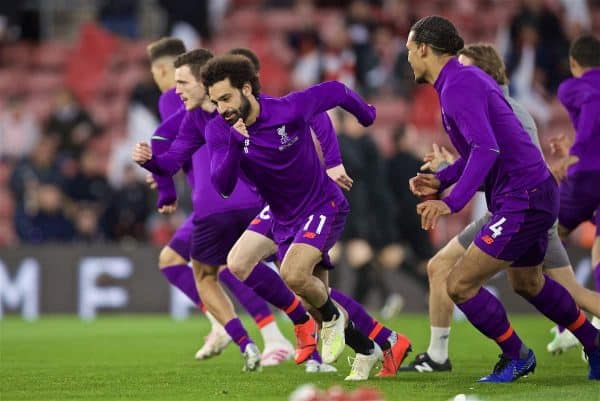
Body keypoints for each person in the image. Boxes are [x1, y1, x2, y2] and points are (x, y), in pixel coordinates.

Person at [405, 16, 599, 382]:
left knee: (459, 284)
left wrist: (451, 201)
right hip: (530, 193)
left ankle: (517, 355)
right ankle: (595, 343)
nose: (409, 58)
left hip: (522, 198)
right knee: (527, 284)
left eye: (409, 50)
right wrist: (440, 179)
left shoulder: (457, 86)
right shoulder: (460, 81)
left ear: (424, 49)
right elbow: (484, 149)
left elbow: (486, 149)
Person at [200, 54, 404, 380]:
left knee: (294, 276)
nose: (221, 108)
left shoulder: (287, 108)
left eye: (226, 98)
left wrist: (366, 115)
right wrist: (237, 145)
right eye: (215, 101)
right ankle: (375, 345)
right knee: (249, 268)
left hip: (321, 204)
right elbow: (222, 184)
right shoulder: (220, 131)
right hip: (280, 212)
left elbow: (335, 92)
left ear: (247, 88)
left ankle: (331, 323)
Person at [134, 48, 322, 372]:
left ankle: (255, 337)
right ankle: (312, 338)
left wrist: (164, 189)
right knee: (269, 272)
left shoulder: (180, 107)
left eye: (182, 82)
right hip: (251, 202)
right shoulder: (231, 108)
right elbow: (169, 151)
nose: (176, 90)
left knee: (215, 271)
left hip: (218, 206)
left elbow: (161, 138)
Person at [551, 34, 600, 343]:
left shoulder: (570, 87)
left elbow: (593, 105)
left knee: (546, 236)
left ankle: (568, 323)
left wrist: (576, 151)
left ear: (573, 63)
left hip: (585, 177)